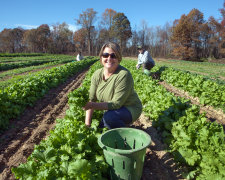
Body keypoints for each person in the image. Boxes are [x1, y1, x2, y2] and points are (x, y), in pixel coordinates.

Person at [83, 42, 142, 129]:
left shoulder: (124, 75)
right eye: (105, 55)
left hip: (129, 108)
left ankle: (125, 135)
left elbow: (116, 104)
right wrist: (87, 125)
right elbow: (91, 100)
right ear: (101, 57)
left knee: (110, 118)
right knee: (101, 127)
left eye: (113, 56)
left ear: (119, 58)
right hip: (112, 110)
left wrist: (92, 105)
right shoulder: (97, 74)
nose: (109, 58)